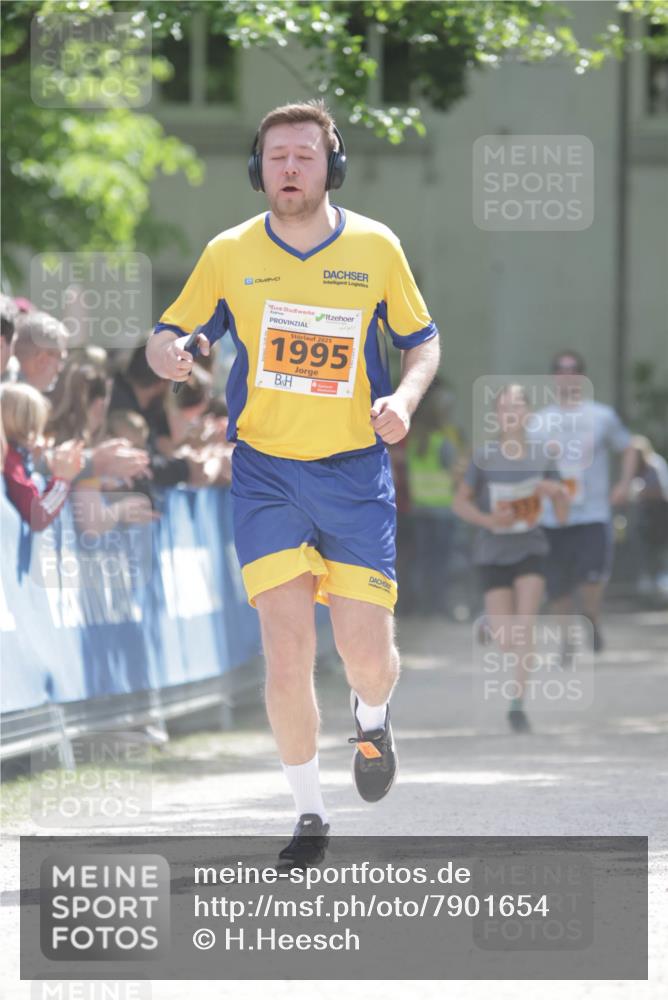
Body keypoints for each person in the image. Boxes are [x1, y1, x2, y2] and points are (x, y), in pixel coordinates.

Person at [146, 99, 440, 866]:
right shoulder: (229, 252)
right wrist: (172, 355)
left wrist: (402, 402)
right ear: (257, 168)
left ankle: (371, 718)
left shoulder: (376, 247)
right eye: (276, 156)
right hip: (266, 473)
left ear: (330, 165)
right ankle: (309, 816)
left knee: (365, 653)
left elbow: (423, 343)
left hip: (353, 473)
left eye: (304, 156)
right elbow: (167, 334)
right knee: (286, 650)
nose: (289, 168)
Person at [452, 385, 570, 733]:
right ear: (497, 416)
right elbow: (459, 503)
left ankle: (517, 706)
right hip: (493, 551)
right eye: (504, 407)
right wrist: (489, 520)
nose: (511, 413)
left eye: (518, 406)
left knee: (525, 626)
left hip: (530, 547)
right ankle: (488, 624)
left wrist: (557, 492)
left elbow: (562, 515)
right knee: (505, 639)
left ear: (528, 414)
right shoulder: (484, 457)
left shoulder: (544, 456)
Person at [536, 350, 638, 651]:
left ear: (582, 376)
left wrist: (624, 483)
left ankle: (591, 618)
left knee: (592, 576)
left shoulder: (601, 416)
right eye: (561, 369)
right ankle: (566, 640)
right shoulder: (539, 422)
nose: (567, 374)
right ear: (553, 376)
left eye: (573, 369)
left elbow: (630, 447)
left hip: (593, 512)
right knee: (558, 583)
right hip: (552, 516)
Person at [1, 382, 83, 530]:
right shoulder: (10, 461)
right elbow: (37, 516)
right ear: (27, 426)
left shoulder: (14, 458)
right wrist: (62, 480)